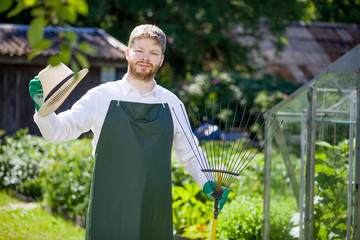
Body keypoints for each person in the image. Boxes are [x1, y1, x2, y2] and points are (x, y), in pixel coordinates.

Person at [29, 24, 229, 240]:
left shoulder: (172, 103)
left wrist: (208, 181)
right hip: (109, 208)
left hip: (154, 209)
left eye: (153, 53)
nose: (145, 57)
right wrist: (43, 110)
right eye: (139, 50)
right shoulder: (101, 96)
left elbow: (191, 153)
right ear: (127, 53)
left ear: (161, 60)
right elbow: (58, 131)